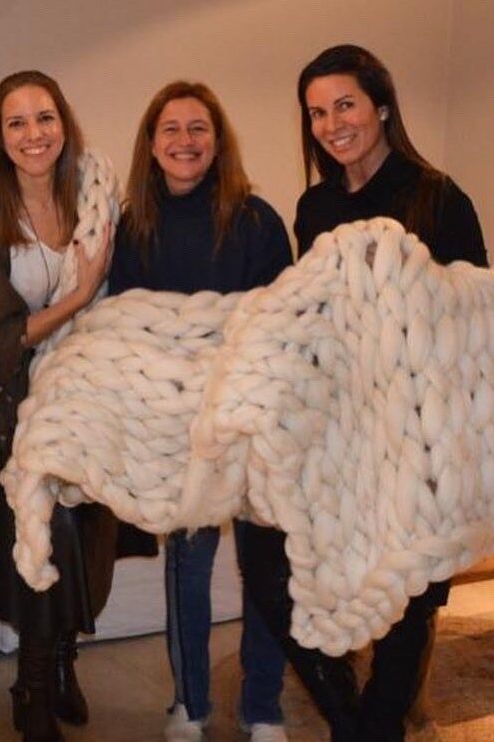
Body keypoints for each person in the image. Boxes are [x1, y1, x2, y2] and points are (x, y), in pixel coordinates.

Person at [240, 44, 487, 742]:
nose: (331, 124)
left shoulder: (437, 196)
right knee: (265, 556)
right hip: (340, 428)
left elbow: (475, 321)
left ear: (380, 106)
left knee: (408, 601)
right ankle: (353, 722)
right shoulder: (315, 206)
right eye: (316, 113)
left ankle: (374, 728)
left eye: (344, 104)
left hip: (421, 432)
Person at [0, 70, 150, 742]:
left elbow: (128, 296)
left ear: (63, 125)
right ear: (0, 137)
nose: (33, 134)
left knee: (88, 541)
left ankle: (65, 662)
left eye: (44, 118)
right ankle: (34, 685)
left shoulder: (95, 199)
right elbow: (0, 333)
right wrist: (78, 295)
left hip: (93, 398)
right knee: (41, 539)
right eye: (16, 123)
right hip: (24, 406)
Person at [107, 81, 292, 742]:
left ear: (217, 141)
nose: (185, 141)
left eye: (198, 129)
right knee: (187, 567)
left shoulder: (258, 220)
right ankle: (188, 703)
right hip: (180, 422)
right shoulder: (133, 224)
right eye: (171, 129)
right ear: (152, 144)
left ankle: (264, 707)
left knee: (265, 570)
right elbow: (127, 325)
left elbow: (282, 323)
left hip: (255, 419)